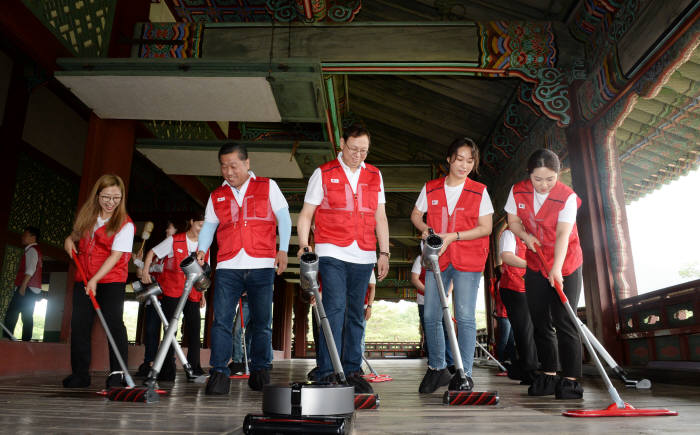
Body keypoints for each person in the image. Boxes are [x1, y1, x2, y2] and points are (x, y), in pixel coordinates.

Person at [296, 124, 390, 394]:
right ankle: (328, 371)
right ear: (341, 143)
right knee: (334, 309)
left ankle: (351, 370)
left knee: (356, 313)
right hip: (331, 250)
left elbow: (380, 216)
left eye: (364, 151)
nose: (358, 155)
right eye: (353, 149)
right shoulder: (323, 173)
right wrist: (304, 244)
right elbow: (306, 214)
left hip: (363, 252)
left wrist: (383, 252)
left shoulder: (375, 175)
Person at [197, 144, 291, 394]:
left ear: (247, 163)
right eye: (224, 166)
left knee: (261, 322)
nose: (228, 171)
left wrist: (283, 250)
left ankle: (261, 371)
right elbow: (208, 226)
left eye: (233, 165)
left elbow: (284, 218)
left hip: (261, 263)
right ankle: (219, 372)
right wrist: (201, 250)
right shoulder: (217, 195)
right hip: (228, 265)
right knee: (221, 322)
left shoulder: (268, 186)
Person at [410, 137, 493, 394]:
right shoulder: (432, 188)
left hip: (468, 258)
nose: (464, 165)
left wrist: (453, 236)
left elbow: (486, 227)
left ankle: (464, 373)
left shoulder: (479, 190)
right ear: (449, 159)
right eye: (459, 159)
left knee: (465, 316)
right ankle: (437, 368)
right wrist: (426, 230)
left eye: (470, 161)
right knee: (432, 315)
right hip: (437, 258)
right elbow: (415, 215)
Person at [505, 148, 584, 399]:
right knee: (539, 321)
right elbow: (513, 221)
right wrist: (525, 236)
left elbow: (563, 234)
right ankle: (548, 374)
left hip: (566, 262)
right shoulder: (517, 191)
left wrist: (557, 268)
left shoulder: (567, 197)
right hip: (536, 262)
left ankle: (570, 380)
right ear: (529, 175)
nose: (543, 185)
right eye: (537, 179)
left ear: (558, 175)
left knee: (564, 320)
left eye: (550, 179)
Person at [62, 174, 134, 389]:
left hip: (110, 280)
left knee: (113, 324)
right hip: (83, 278)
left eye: (116, 198)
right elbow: (76, 235)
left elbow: (115, 257)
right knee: (80, 324)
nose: (111, 202)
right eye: (106, 197)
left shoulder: (125, 224)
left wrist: (95, 280)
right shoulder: (89, 216)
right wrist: (68, 240)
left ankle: (117, 373)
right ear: (97, 195)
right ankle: (80, 374)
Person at [142, 212, 207, 380]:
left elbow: (203, 274)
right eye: (200, 225)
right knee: (170, 329)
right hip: (173, 290)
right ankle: (166, 369)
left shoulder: (205, 245)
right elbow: (151, 253)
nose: (202, 229)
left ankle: (195, 368)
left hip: (192, 293)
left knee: (194, 329)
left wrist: (203, 295)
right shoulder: (175, 240)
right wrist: (144, 271)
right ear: (192, 222)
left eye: (205, 226)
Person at [135, 220, 178, 377]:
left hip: (170, 295)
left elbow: (164, 269)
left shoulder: (177, 250)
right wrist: (139, 262)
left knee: (169, 330)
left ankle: (167, 364)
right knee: (151, 330)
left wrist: (143, 263)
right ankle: (149, 362)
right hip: (154, 297)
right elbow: (145, 273)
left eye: (170, 228)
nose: (167, 230)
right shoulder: (157, 253)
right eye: (167, 229)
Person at [498, 226, 538, 384]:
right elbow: (507, 256)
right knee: (524, 329)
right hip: (513, 287)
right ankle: (529, 371)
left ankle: (527, 367)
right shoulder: (509, 234)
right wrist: (531, 265)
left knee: (535, 328)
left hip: (531, 288)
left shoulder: (535, 234)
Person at [410, 253, 454, 369]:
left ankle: (450, 362)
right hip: (424, 301)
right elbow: (414, 279)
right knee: (430, 332)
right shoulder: (420, 259)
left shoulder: (447, 258)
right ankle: (435, 364)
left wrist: (447, 293)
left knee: (447, 331)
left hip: (443, 302)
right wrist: (430, 292)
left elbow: (452, 279)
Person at [3, 226, 43, 341]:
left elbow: (30, 269)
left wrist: (23, 286)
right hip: (33, 288)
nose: (22, 237)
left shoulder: (32, 250)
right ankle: (26, 340)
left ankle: (7, 337)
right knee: (27, 315)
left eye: (25, 235)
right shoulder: (37, 251)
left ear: (33, 237)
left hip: (27, 287)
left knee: (12, 312)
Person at [490, 268, 515, 368]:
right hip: (504, 314)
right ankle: (500, 362)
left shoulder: (498, 283)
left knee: (510, 340)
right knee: (504, 340)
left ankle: (512, 361)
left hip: (505, 314)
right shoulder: (501, 283)